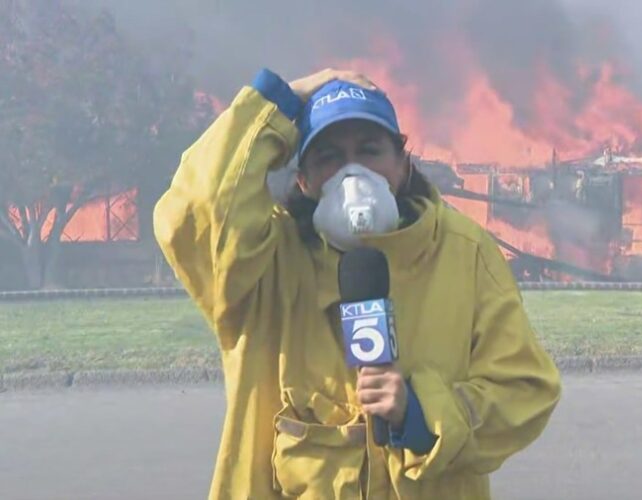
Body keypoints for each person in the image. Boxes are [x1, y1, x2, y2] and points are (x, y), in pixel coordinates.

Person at [154, 67, 561, 500]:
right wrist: (280, 100)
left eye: (369, 151)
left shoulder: (464, 253)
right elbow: (197, 211)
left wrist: (422, 412)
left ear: (403, 166)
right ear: (304, 181)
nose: (353, 175)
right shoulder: (262, 265)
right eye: (329, 157)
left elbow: (525, 390)